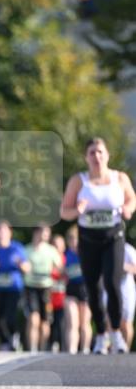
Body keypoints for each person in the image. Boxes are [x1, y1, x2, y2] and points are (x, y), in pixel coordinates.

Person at [60, 137, 136, 354]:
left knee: (112, 282)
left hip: (113, 237)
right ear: (86, 157)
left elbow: (132, 199)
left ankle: (116, 333)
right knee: (93, 287)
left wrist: (128, 209)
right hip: (88, 240)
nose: (97, 156)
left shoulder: (119, 178)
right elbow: (64, 211)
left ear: (107, 155)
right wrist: (78, 210)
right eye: (92, 152)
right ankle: (101, 335)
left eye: (100, 152)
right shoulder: (79, 180)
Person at [0, 220, 29, 352]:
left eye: (3, 230)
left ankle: (14, 337)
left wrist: (21, 265)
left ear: (10, 232)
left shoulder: (17, 248)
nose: (0, 233)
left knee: (10, 315)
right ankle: (4, 342)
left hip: (13, 289)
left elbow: (27, 268)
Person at [22, 225, 62, 353]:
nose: (46, 235)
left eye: (48, 233)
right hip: (31, 288)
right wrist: (23, 267)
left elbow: (60, 268)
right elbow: (22, 265)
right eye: (44, 232)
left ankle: (42, 348)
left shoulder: (51, 250)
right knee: (33, 318)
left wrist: (57, 269)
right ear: (37, 232)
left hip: (46, 289)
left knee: (45, 321)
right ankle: (32, 349)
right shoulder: (27, 250)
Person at [63, 226, 91, 354]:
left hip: (85, 289)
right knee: (72, 322)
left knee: (84, 322)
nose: (74, 242)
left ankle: (85, 349)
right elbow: (61, 272)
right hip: (71, 289)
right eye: (71, 239)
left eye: (76, 239)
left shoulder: (87, 253)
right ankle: (72, 350)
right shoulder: (65, 255)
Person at [48, 234, 67, 352]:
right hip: (50, 298)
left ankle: (63, 346)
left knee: (62, 323)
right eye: (54, 245)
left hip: (63, 299)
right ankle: (49, 345)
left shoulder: (66, 259)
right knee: (50, 323)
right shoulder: (47, 259)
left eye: (59, 245)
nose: (57, 248)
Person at [119, 241, 136, 350]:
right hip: (109, 289)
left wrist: (123, 267)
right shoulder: (105, 248)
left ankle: (126, 349)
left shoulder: (128, 249)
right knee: (110, 321)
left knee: (126, 322)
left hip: (126, 290)